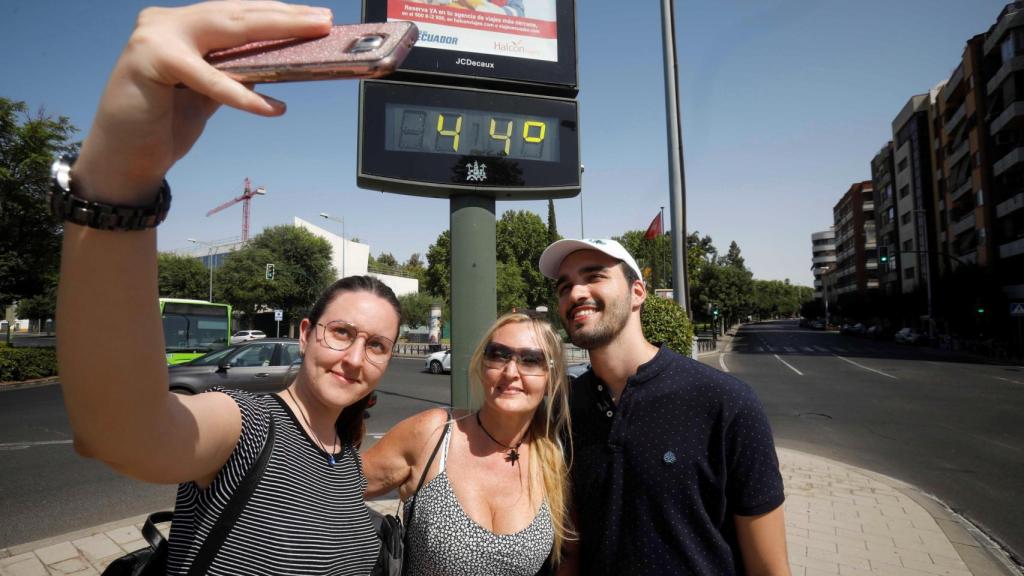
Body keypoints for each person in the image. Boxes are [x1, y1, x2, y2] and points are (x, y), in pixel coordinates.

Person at [55, 2, 398, 574]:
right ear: (306, 334)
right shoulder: (249, 426)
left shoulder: (346, 460)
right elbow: (125, 433)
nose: (355, 358)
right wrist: (122, 177)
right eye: (342, 332)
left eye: (378, 345)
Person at [538, 238, 789, 576]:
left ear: (637, 293)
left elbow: (769, 566)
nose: (576, 293)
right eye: (564, 286)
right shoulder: (563, 409)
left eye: (594, 276)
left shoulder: (727, 402)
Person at [362, 313, 573, 576]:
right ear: (482, 367)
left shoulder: (554, 455)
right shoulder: (433, 433)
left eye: (531, 360)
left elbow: (570, 555)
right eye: (499, 355)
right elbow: (333, 493)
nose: (510, 372)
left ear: (551, 378)